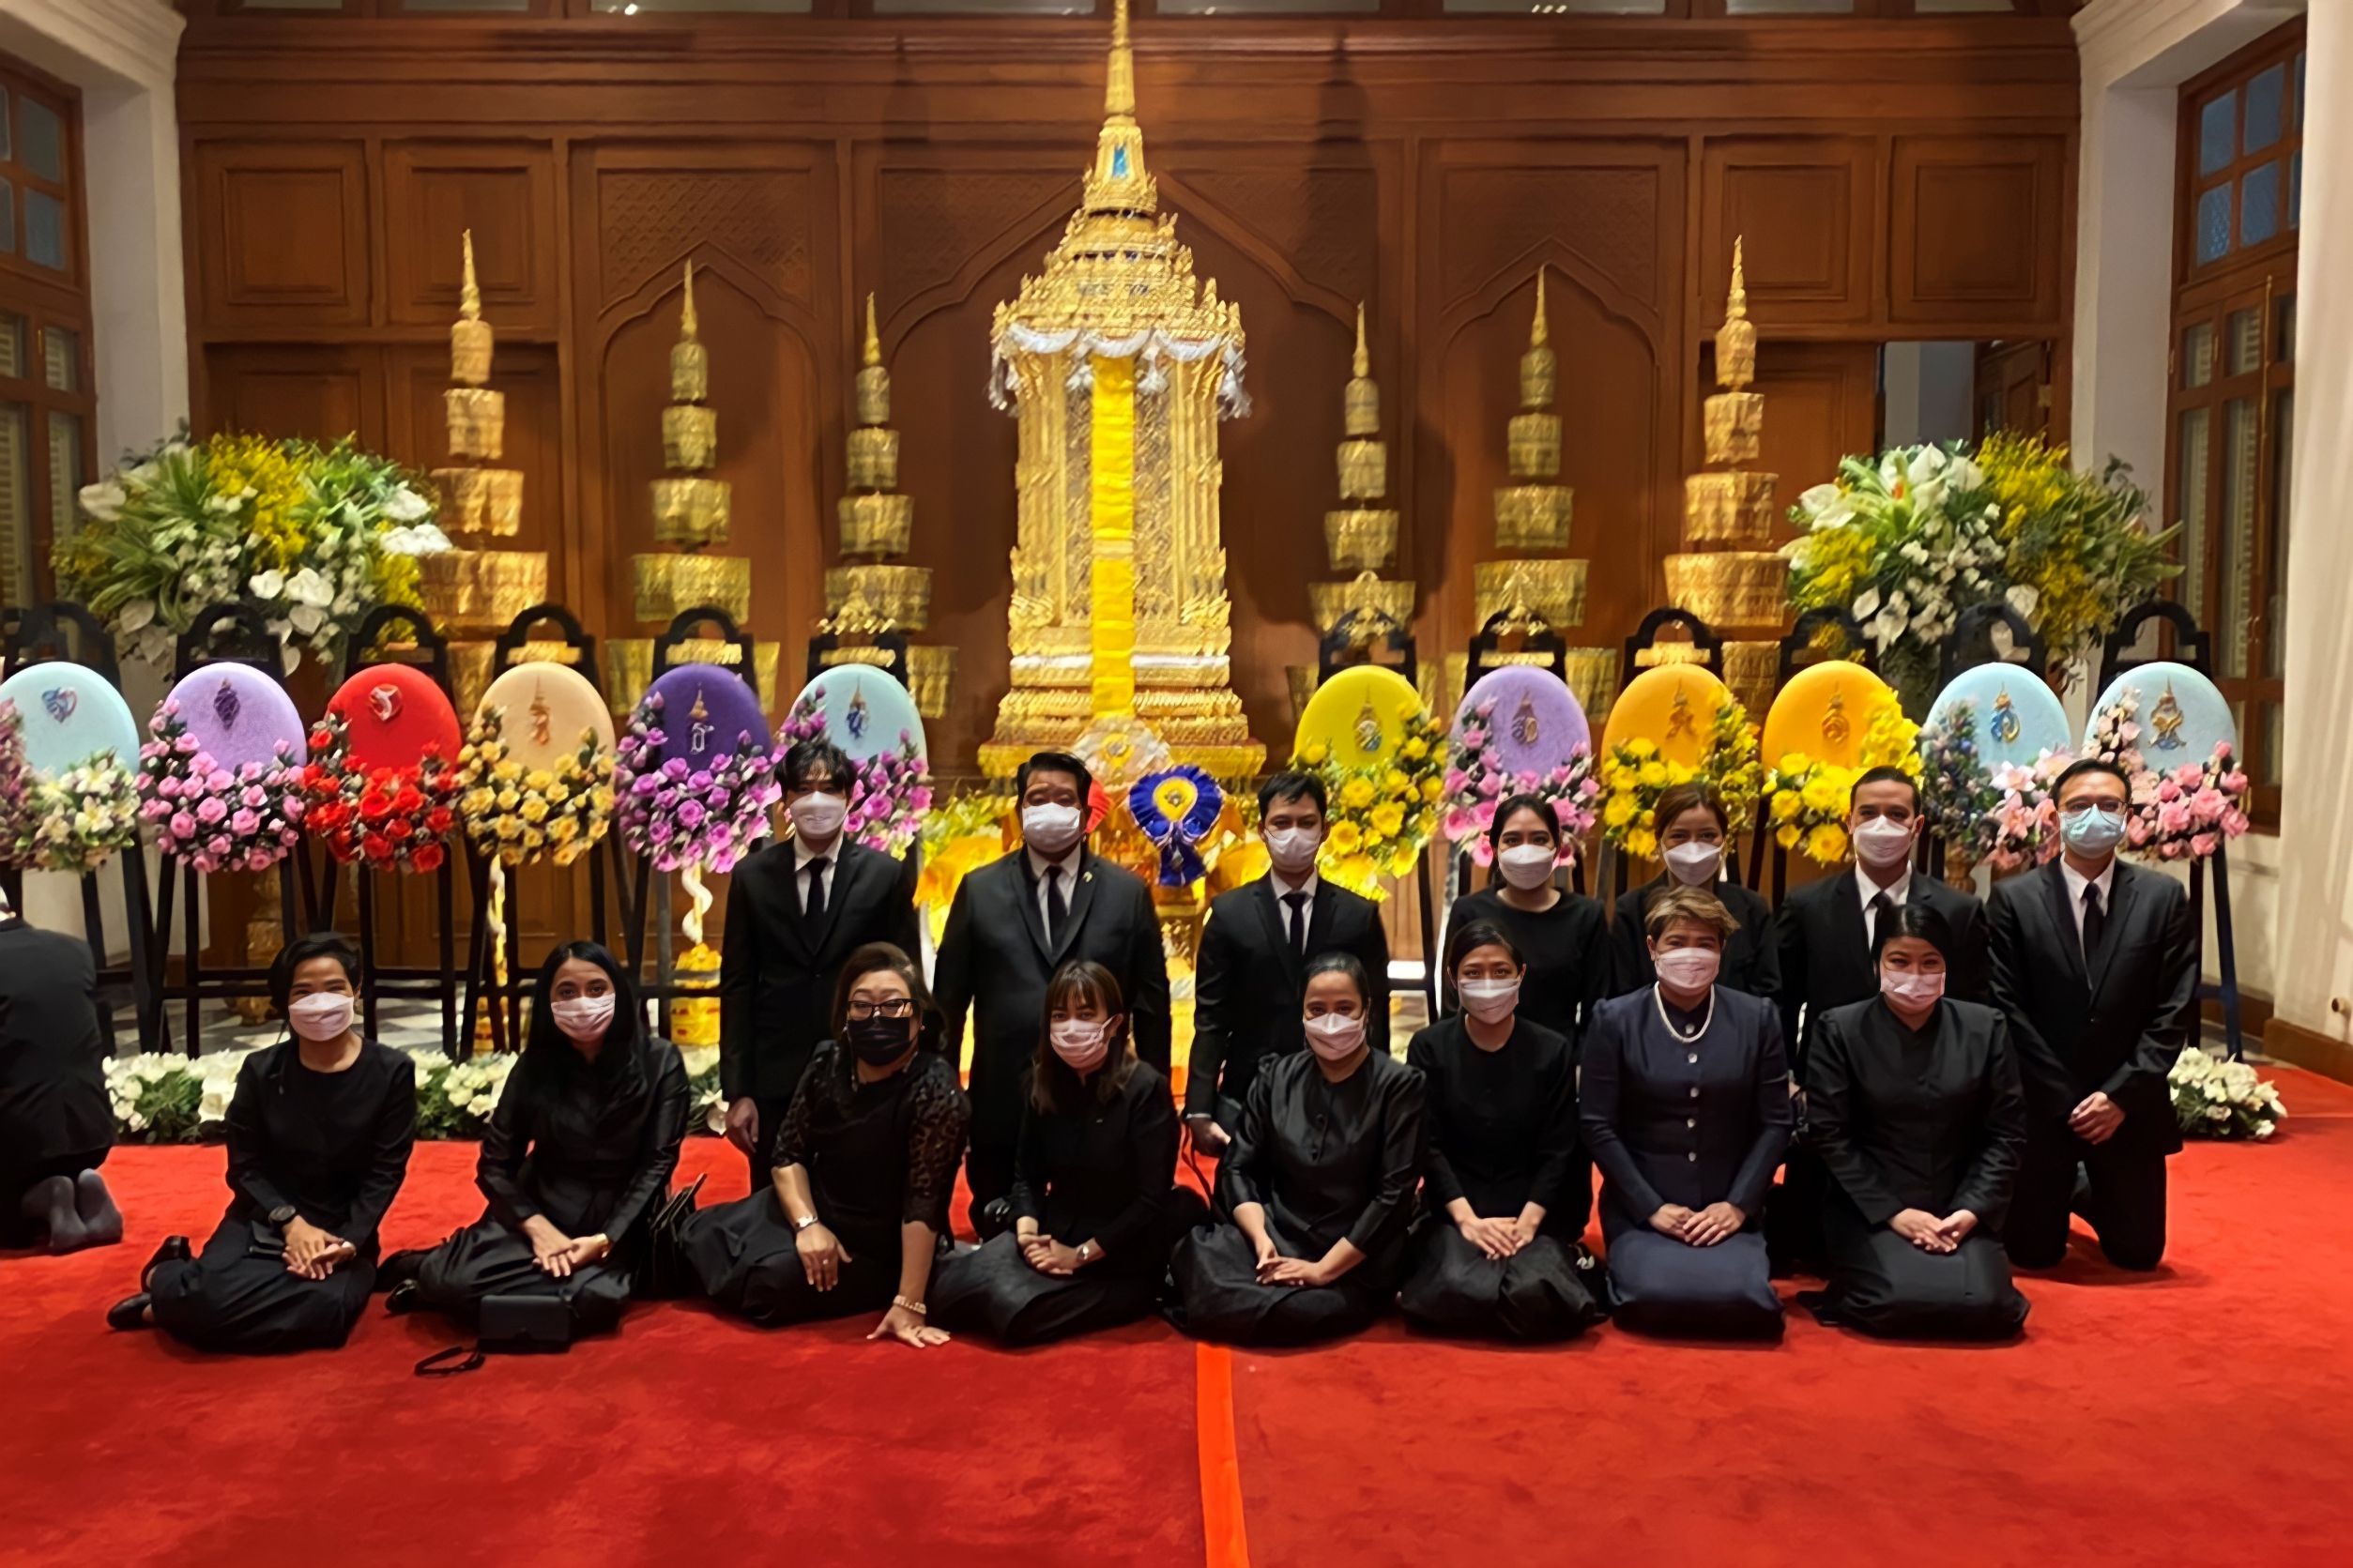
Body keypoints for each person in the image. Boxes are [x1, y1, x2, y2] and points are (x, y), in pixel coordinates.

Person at [109, 934, 415, 1351]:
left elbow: (385, 1171)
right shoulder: (261, 1070)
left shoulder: (392, 1071)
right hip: (265, 1215)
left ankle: (168, 1307)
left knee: (327, 1314)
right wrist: (290, 1222)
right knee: (210, 1297)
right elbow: (245, 1167)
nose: (320, 1002)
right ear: (285, 1002)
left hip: (341, 1229)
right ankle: (169, 1276)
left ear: (356, 991)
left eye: (334, 988)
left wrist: (348, 1241)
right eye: (304, 991)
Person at [388, 942, 689, 1337]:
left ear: (619, 991)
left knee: (598, 1300)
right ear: (548, 1001)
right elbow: (495, 1164)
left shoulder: (661, 1061)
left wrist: (604, 1239)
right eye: (567, 992)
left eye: (597, 989)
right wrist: (537, 1228)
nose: (583, 1002)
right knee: (453, 1282)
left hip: (622, 1218)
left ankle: (476, 1288)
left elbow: (657, 1164)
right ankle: (439, 1271)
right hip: (540, 1207)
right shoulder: (534, 1067)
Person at [683, 942, 969, 1347]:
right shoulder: (828, 1061)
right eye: (862, 1006)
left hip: (877, 1244)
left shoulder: (935, 1088)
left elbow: (923, 1202)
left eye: (892, 1006)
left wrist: (909, 1301)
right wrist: (808, 1225)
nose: (876, 1017)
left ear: (919, 1017)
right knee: (696, 1235)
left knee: (767, 1287)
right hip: (813, 1210)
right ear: (846, 1016)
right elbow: (787, 1154)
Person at [934, 750, 1169, 1229]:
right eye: (1037, 798)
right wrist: (943, 1090)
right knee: (999, 1232)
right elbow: (948, 1003)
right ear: (1020, 809)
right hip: (1003, 1094)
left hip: (1104, 1102)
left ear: (1085, 813)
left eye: (1064, 799)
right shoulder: (979, 890)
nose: (1050, 808)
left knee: (1096, 1231)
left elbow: (1151, 1002)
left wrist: (1156, 1094)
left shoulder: (1127, 893)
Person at [1767, 764, 1985, 1269]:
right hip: (1830, 1104)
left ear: (1917, 825)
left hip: (1927, 1105)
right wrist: (1786, 1079)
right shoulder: (1807, 906)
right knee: (1812, 1255)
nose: (1881, 824)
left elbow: (1976, 1013)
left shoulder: (1959, 911)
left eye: (1896, 813)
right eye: (1869, 813)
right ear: (1848, 822)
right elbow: (1782, 1001)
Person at [1988, 758, 2196, 1271]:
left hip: (2127, 1103)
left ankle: (2084, 1190)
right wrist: (2068, 1100)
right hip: (2044, 1103)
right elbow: (2004, 1007)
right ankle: (2071, 1186)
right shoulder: (2013, 900)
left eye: (2109, 805)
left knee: (2138, 1254)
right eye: (2080, 806)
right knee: (2032, 1253)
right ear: (2055, 818)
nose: (2094, 816)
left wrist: (2119, 1096)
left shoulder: (2162, 898)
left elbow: (2174, 1009)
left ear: (2127, 817)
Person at [931, 961, 1206, 1346]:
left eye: (1085, 1014)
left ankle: (1139, 1295)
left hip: (1123, 1243)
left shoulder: (1146, 1089)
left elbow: (1150, 1200)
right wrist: (1027, 1233)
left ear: (1113, 1022)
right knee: (946, 1291)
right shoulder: (1041, 1083)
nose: (1071, 1026)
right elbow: (1026, 1174)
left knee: (1015, 1316)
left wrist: (1078, 1256)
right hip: (1055, 1228)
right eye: (1061, 1015)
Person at [1169, 951, 1424, 1346]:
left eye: (1344, 1008)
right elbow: (1238, 1167)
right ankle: (1268, 1290)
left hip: (1354, 1248)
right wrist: (1259, 1239)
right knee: (1198, 1255)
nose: (1331, 1022)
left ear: (1366, 1011)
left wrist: (1322, 1270)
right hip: (1277, 1229)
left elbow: (1393, 1197)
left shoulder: (1400, 1085)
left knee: (1306, 1306)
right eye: (1317, 1010)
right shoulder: (1274, 1076)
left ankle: (1292, 1297)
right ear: (1302, 1015)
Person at [1803, 905, 2030, 1339]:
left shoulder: (1986, 1027)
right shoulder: (1840, 1029)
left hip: (1957, 1204)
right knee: (1895, 1302)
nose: (1915, 974)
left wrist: (1970, 1210)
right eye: (1899, 961)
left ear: (1948, 967)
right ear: (1877, 965)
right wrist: (1894, 1213)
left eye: (1930, 962)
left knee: (1988, 1307)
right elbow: (1830, 1136)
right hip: (1871, 1206)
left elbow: (2006, 1133)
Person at [1581, 887, 1790, 1338]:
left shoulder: (1758, 1018)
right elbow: (1597, 1125)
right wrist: (1651, 1207)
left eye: (1705, 943)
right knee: (1652, 1296)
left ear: (1722, 951)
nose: (1691, 954)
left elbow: (1776, 1123)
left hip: (1726, 1204)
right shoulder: (1614, 1019)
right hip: (1645, 1206)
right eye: (1677, 942)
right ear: (1653, 948)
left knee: (1744, 1299)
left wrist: (1737, 1206)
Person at [721, 738, 922, 1187]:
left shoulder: (884, 875)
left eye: (829, 789)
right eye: (804, 789)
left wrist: (910, 1070)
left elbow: (907, 978)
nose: (817, 800)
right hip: (776, 1077)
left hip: (863, 1068)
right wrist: (738, 1092)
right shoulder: (752, 878)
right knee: (774, 1208)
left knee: (858, 1197)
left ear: (848, 798)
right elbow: (737, 985)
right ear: (786, 799)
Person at [1398, 921, 1602, 1341]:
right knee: (1453, 1284)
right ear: (1453, 980)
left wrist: (1527, 1223)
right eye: (1473, 973)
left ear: (1520, 975)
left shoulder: (1552, 1049)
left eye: (1500, 971)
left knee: (1537, 1292)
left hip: (1530, 1207)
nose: (1487, 983)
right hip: (1457, 1207)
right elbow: (1428, 1145)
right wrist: (1468, 1221)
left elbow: (1559, 1147)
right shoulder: (1429, 1046)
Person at [1187, 771, 1389, 1153]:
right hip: (1250, 1093)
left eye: (1306, 822)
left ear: (1325, 829)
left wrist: (1379, 1095)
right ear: (1262, 830)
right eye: (1282, 822)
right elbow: (1211, 1017)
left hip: (1339, 1094)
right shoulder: (1229, 914)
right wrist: (1199, 1108)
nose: (1294, 833)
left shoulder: (1357, 915)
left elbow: (1375, 1014)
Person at [0, 895, 121, 1254]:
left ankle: (40, 1201)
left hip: (20, 1141)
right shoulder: (72, 949)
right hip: (92, 1130)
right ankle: (79, 1186)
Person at [1442, 794, 1606, 1044]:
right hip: (1478, 1060)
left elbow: (1598, 1011)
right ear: (1495, 849)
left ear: (1556, 847)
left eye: (1539, 839)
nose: (1526, 849)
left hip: (1559, 1065)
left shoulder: (1586, 915)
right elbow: (1451, 1005)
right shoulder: (1469, 911)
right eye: (1512, 840)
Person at [1610, 783, 1779, 998]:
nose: (1694, 846)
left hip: (1736, 1029)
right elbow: (1622, 994)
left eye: (1708, 835)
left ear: (1725, 840)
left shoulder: (1752, 909)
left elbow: (1768, 993)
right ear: (1659, 841)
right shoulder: (1631, 910)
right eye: (1679, 836)